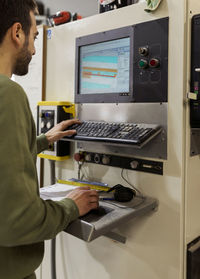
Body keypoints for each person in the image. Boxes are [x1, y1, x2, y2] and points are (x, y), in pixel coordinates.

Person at [0, 1, 99, 278]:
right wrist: (71, 206)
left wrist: (43, 140)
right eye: (33, 37)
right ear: (17, 33)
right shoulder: (9, 94)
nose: (33, 49)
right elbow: (17, 221)